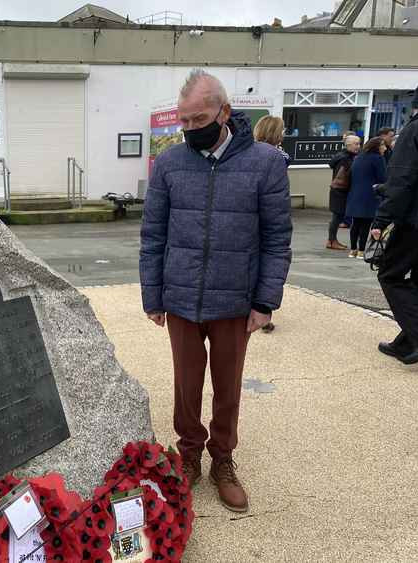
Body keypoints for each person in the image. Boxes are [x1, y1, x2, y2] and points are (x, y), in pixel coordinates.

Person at [140, 69, 292, 513]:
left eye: (198, 119)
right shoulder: (169, 163)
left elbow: (277, 237)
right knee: (186, 386)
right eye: (183, 121)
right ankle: (188, 455)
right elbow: (153, 235)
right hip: (182, 299)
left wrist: (265, 301)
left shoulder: (266, 163)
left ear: (224, 112)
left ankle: (222, 459)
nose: (189, 129)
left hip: (234, 300)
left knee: (227, 388)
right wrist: (153, 296)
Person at [371, 77, 418, 365]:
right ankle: (406, 344)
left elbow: (402, 180)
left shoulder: (416, 131)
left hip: (416, 221)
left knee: (390, 273)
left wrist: (381, 219)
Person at [253, 115, 291, 333]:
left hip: (250, 214)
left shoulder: (247, 153)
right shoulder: (278, 156)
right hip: (269, 213)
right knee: (270, 258)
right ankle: (263, 310)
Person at [346, 137, 387, 258]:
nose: (384, 148)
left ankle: (353, 249)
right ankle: (361, 250)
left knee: (355, 223)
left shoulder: (358, 157)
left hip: (355, 194)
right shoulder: (378, 159)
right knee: (366, 224)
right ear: (376, 147)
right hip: (370, 195)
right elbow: (382, 178)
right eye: (383, 146)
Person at [327, 135, 361, 249]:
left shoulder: (345, 156)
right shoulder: (345, 158)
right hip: (340, 191)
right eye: (356, 144)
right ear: (348, 145)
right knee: (337, 217)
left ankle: (332, 240)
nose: (358, 147)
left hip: (339, 190)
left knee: (337, 216)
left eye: (359, 144)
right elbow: (342, 176)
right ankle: (332, 241)